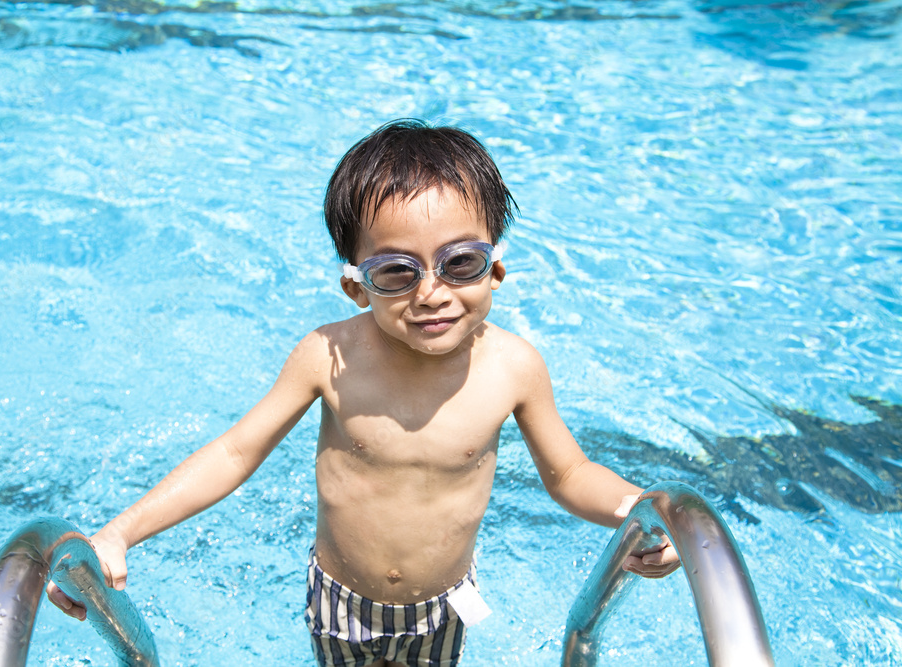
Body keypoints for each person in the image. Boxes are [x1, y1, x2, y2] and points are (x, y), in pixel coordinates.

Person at [47, 119, 680, 666]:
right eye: (398, 273)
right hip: (340, 600)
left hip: (443, 605)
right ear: (358, 288)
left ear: (496, 269)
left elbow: (568, 472)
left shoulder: (512, 367)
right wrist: (120, 533)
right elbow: (236, 453)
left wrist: (640, 512)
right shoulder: (328, 356)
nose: (432, 293)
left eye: (460, 263)